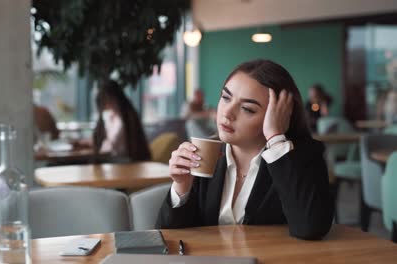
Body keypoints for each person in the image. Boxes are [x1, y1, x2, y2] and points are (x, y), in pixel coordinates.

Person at [156, 59, 333, 240]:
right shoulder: (206, 153)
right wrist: (181, 186)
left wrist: (275, 137)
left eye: (247, 109)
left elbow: (311, 228)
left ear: (280, 115)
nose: (227, 113)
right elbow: (168, 239)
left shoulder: (302, 157)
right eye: (226, 98)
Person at [91, 80, 151, 162]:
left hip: (126, 161)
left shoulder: (124, 117)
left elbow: (111, 143)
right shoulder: (116, 114)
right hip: (118, 159)